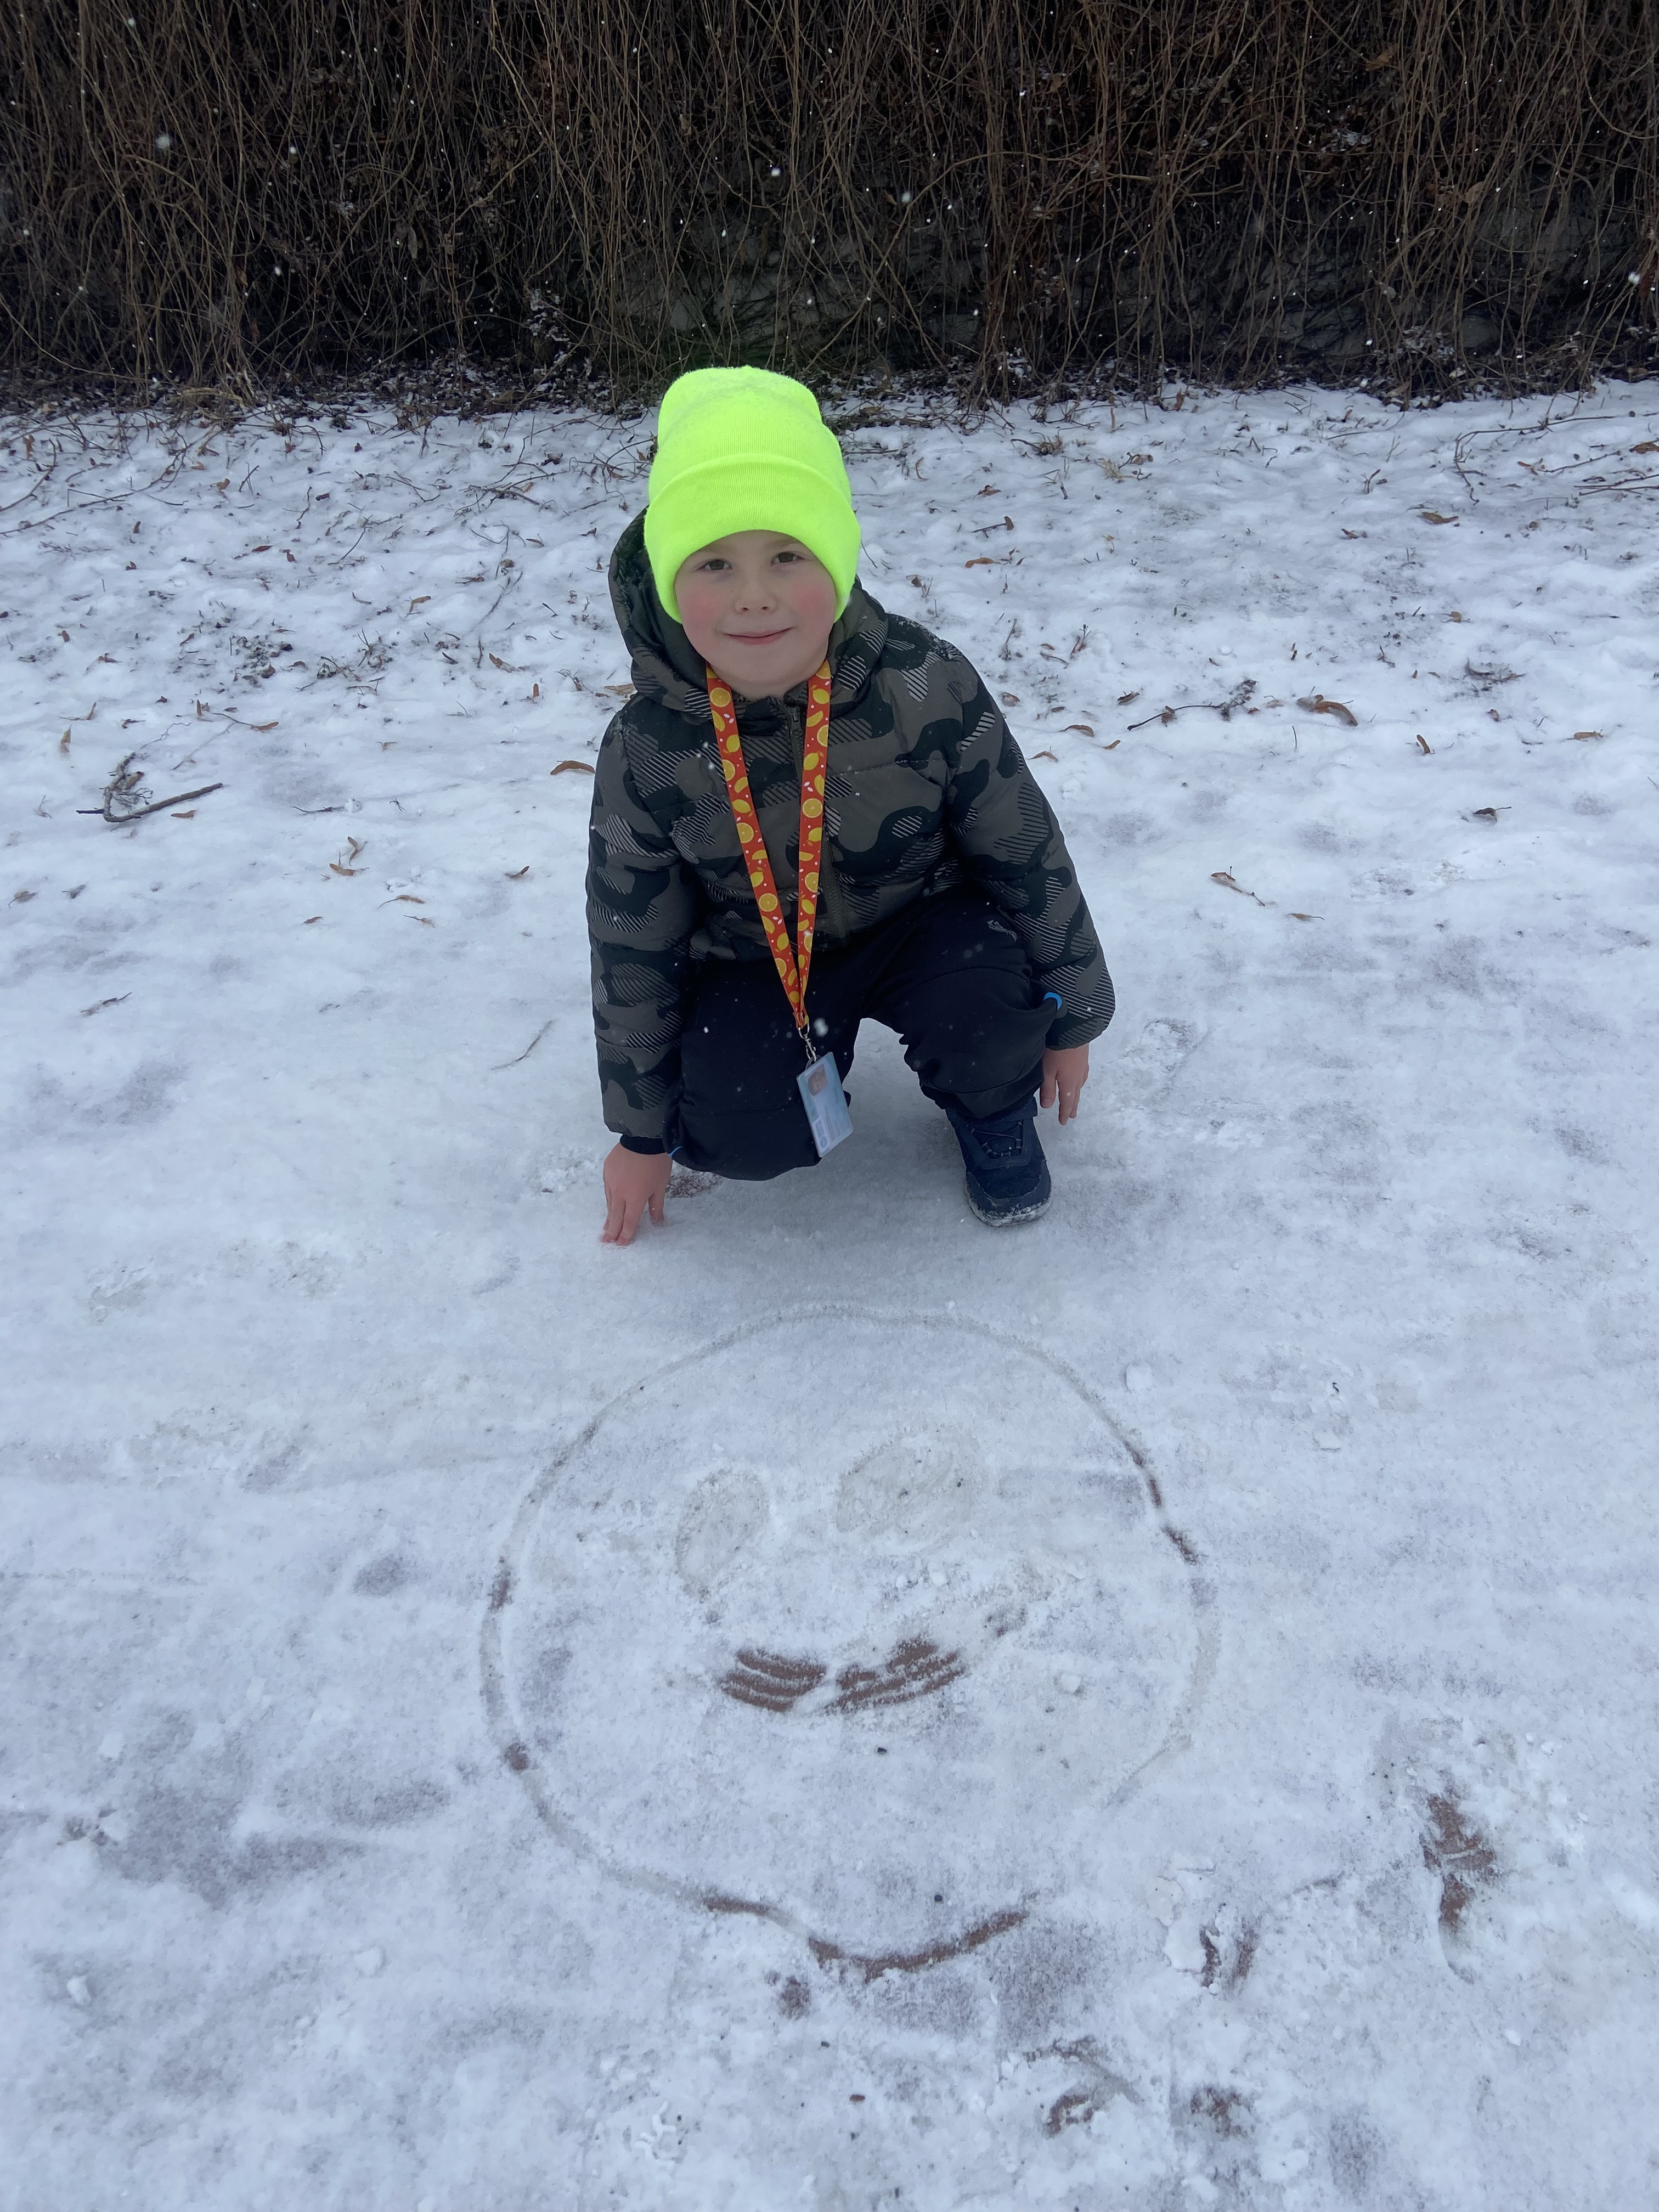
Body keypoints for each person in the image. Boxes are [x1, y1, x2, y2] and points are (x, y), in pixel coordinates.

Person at [587, 366, 1114, 1245]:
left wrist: (1075, 1015)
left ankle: (990, 1111)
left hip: (923, 925)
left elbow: (1024, 850)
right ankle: (782, 1083)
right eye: (714, 563)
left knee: (989, 1016)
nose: (753, 595)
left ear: (835, 563)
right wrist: (640, 1133)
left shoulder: (923, 682)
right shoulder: (649, 747)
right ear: (672, 582)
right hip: (756, 956)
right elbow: (630, 939)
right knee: (731, 1124)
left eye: (787, 556)